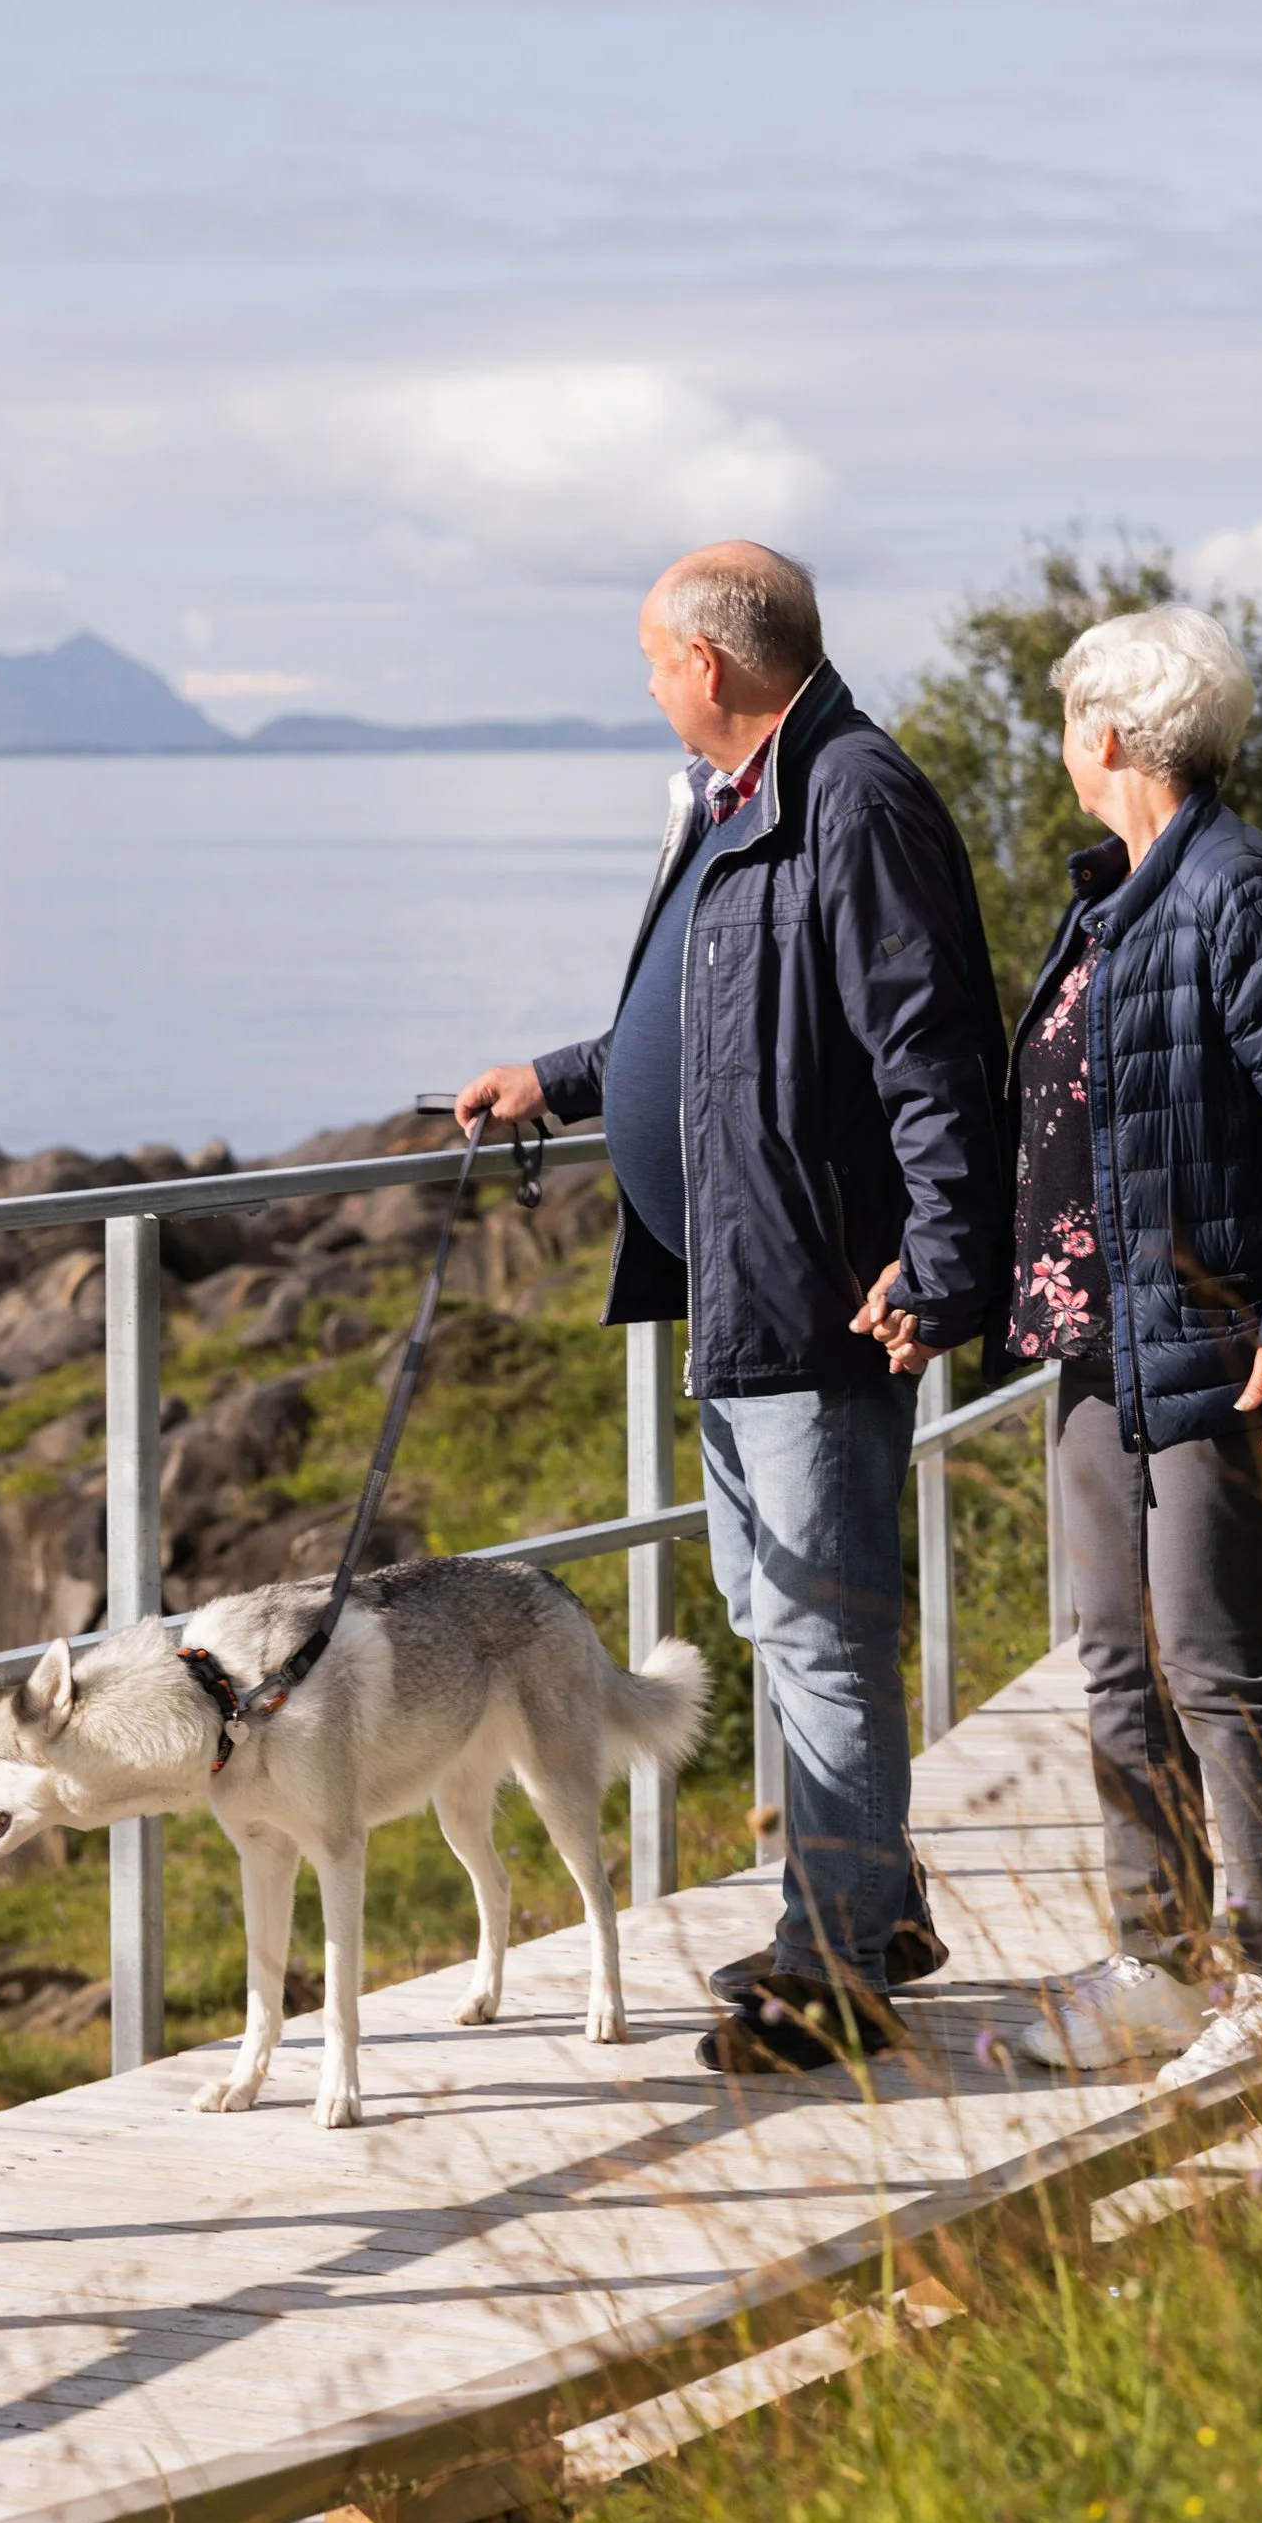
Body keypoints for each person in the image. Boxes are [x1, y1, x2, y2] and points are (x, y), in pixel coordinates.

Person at [458, 540, 1009, 2077]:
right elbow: (705, 1027)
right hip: (743, 1287)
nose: (647, 687)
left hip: (819, 1292)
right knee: (776, 1617)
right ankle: (875, 1914)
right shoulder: (742, 800)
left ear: (706, 663)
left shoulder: (852, 797)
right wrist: (556, 1081)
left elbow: (931, 1049)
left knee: (823, 1635)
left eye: (652, 662)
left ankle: (834, 1976)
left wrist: (942, 1254)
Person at [998, 603, 1262, 2089]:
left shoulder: (1238, 892)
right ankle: (1159, 1967)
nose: (1064, 745)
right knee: (1120, 1659)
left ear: (1109, 734)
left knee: (1216, 1662)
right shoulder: (1118, 894)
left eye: (1070, 721)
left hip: (1217, 1339)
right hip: (1100, 1340)